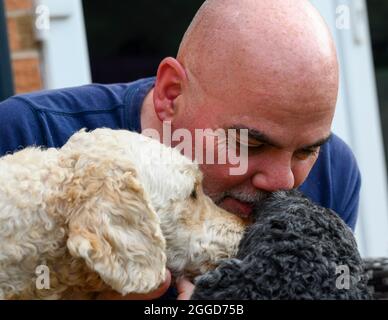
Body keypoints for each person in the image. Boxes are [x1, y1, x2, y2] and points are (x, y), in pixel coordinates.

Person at [0, 0, 361, 300]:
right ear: (171, 94)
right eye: (251, 143)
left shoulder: (334, 173)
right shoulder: (25, 135)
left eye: (305, 152)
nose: (283, 182)